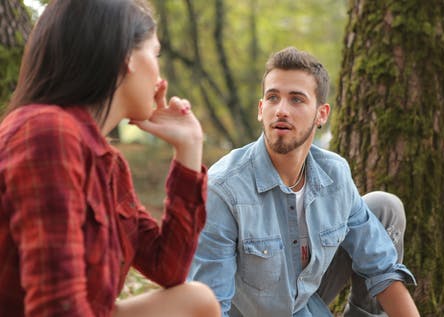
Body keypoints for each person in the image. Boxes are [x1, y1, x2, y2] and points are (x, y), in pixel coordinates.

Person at [0, 1, 220, 316]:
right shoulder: (47, 133)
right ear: (126, 57)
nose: (160, 79)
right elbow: (56, 306)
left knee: (195, 301)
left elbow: (167, 268)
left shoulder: (105, 162)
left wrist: (190, 146)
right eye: (155, 54)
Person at [188, 47, 420, 316]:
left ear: (321, 114)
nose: (282, 110)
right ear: (261, 109)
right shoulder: (223, 188)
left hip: (305, 301)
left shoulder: (335, 174)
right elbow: (210, 305)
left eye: (296, 100)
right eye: (273, 98)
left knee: (383, 207)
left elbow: (381, 267)